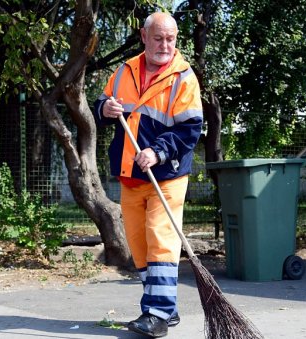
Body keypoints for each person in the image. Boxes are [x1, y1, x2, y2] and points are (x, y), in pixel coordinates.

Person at [93, 12, 203, 338]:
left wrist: (158, 151)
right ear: (144, 36)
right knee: (139, 246)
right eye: (158, 38)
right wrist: (105, 110)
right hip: (131, 176)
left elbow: (190, 130)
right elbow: (101, 106)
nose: (165, 45)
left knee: (160, 239)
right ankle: (166, 306)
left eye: (171, 39)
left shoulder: (184, 77)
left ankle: (157, 314)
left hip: (167, 176)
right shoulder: (124, 71)